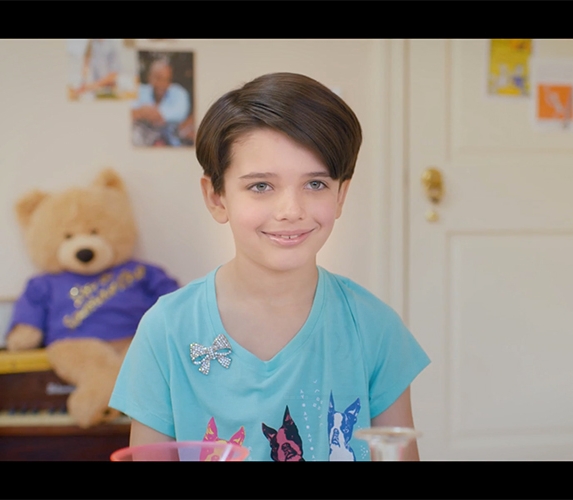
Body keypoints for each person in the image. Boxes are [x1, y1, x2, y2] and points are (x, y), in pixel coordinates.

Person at [110, 72, 431, 461]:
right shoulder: (166, 331)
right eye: (261, 186)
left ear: (341, 194)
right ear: (216, 197)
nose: (291, 211)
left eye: (315, 184)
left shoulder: (375, 330)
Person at [131, 58, 191, 147]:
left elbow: (179, 114)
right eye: (158, 78)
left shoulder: (180, 93)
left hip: (172, 144)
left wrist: (143, 112)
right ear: (149, 77)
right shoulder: (139, 91)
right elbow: (127, 114)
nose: (162, 84)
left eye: (166, 79)